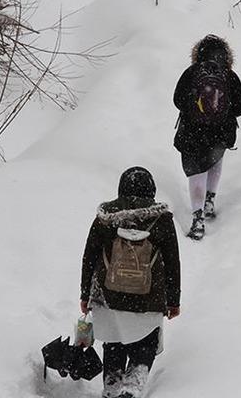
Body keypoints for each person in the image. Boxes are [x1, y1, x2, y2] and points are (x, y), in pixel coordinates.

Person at [80, 167, 181, 398]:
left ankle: (112, 388)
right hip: (149, 298)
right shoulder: (161, 220)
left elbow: (90, 257)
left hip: (108, 296)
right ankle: (132, 388)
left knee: (113, 342)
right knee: (145, 344)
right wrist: (173, 300)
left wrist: (85, 294)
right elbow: (172, 262)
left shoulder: (105, 217)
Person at [173, 34, 241, 240]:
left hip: (192, 133)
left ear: (198, 54)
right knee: (214, 159)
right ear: (226, 55)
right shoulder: (229, 76)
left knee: (196, 172)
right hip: (220, 133)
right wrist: (223, 112)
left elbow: (177, 100)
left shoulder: (191, 73)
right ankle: (210, 201)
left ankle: (198, 219)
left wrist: (195, 109)